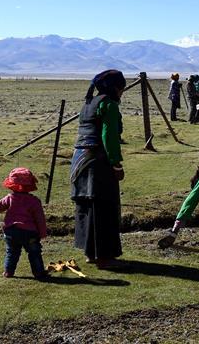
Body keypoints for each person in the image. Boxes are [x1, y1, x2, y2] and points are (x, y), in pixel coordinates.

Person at [70, 69, 127, 269]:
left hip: (80, 160)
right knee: (104, 206)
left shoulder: (88, 104)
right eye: (121, 88)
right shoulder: (108, 105)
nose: (122, 93)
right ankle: (104, 256)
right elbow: (108, 137)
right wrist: (116, 163)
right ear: (113, 88)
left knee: (88, 204)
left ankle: (90, 253)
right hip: (98, 161)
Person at [0, 167, 48, 280]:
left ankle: (8, 272)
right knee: (34, 252)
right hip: (29, 233)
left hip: (11, 231)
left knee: (12, 252)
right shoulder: (35, 201)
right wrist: (42, 233)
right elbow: (40, 219)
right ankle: (39, 273)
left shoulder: (10, 198)